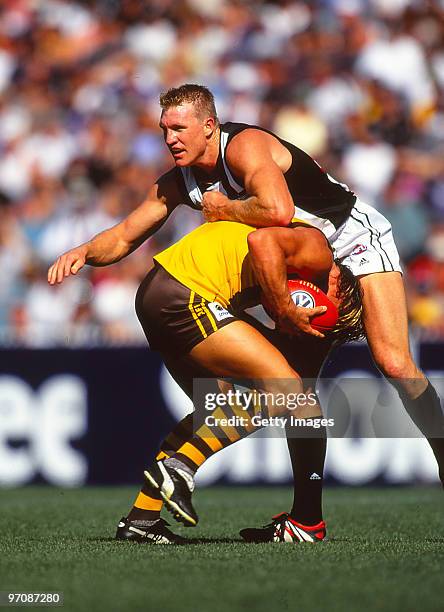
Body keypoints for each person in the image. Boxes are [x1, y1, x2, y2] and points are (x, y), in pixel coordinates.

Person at [48, 84, 443, 538]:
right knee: (285, 396)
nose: (170, 139)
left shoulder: (245, 146)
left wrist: (223, 207)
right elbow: (123, 237)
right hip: (290, 259)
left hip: (349, 238)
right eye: (164, 130)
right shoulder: (180, 179)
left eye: (180, 128)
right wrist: (83, 251)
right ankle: (302, 521)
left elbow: (277, 210)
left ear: (210, 126)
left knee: (392, 361)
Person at [114, 217, 363, 543]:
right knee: (288, 391)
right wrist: (287, 310)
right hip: (186, 294)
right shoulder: (317, 251)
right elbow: (261, 244)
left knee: (215, 408)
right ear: (337, 286)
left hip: (160, 291)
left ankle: (141, 519)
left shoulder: (295, 257)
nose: (314, 322)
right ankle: (182, 467)